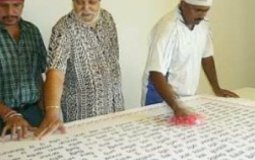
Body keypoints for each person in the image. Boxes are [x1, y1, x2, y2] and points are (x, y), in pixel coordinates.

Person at [34, 0, 124, 138]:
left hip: (114, 106)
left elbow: (113, 59)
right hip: (84, 113)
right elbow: (55, 72)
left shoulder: (107, 19)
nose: (86, 8)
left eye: (92, 2)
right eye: (79, 2)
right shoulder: (63, 29)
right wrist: (52, 112)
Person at [142, 0, 239, 116]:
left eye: (205, 11)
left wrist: (216, 88)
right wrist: (175, 106)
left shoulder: (203, 25)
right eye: (197, 10)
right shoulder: (168, 27)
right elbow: (156, 73)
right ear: (183, 3)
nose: (201, 15)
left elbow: (206, 57)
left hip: (186, 97)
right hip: (160, 98)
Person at [0, 0, 47, 139]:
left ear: (23, 4)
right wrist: (9, 114)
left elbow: (39, 75)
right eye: (3, 5)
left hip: (34, 114)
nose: (10, 12)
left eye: (16, 5)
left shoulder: (32, 31)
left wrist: (46, 111)